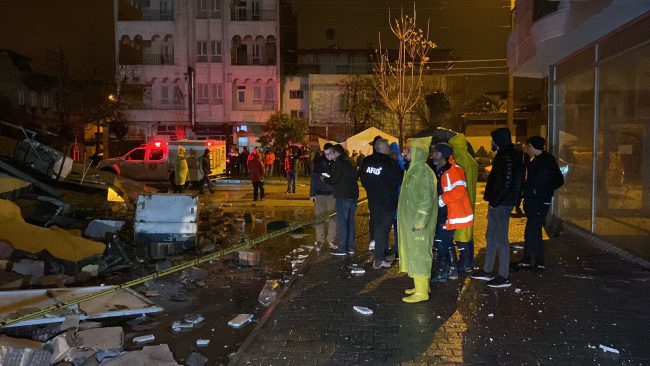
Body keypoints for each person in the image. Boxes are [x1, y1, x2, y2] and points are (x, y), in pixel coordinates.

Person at [471, 127, 524, 288]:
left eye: (493, 140)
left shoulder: (507, 156)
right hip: (499, 202)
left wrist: (495, 201)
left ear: (499, 140)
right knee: (491, 237)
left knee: (500, 239)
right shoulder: (506, 154)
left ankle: (503, 276)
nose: (491, 143)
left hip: (501, 203)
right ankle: (488, 270)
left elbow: (507, 182)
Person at [512, 136, 564, 272]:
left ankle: (532, 261)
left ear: (533, 146)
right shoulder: (534, 160)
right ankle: (533, 261)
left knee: (532, 231)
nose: (527, 148)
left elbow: (558, 180)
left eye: (528, 146)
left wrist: (541, 191)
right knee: (533, 231)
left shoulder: (547, 161)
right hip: (533, 201)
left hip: (540, 202)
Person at [398, 136, 437, 303]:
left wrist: (420, 222)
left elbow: (426, 200)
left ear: (417, 152)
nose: (404, 152)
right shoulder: (413, 169)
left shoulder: (422, 171)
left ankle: (422, 293)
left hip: (418, 226)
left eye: (408, 149)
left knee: (420, 254)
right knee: (415, 253)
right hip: (412, 224)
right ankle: (422, 285)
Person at [430, 143, 474, 282]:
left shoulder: (453, 171)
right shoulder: (442, 170)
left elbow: (459, 192)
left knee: (441, 242)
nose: (433, 155)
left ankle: (444, 270)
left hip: (450, 214)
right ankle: (451, 270)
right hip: (446, 213)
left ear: (443, 155)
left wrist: (440, 200)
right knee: (445, 242)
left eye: (436, 152)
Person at [359, 139, 403, 270]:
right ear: (385, 149)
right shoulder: (389, 163)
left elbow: (363, 179)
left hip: (373, 201)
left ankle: (382, 255)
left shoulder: (367, 161)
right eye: (388, 147)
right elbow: (399, 179)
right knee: (382, 230)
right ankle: (379, 259)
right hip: (387, 203)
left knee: (378, 228)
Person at [448, 133, 478, 274]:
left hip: (460, 201)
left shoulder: (458, 159)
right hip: (470, 199)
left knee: (461, 233)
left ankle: (464, 263)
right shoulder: (470, 159)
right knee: (468, 232)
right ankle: (469, 261)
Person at [324, 144, 359, 256]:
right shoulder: (351, 161)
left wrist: (325, 179)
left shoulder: (338, 163)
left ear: (336, 152)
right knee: (350, 222)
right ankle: (350, 247)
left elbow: (334, 179)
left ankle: (342, 248)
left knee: (343, 222)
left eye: (332, 153)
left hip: (343, 196)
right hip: (353, 195)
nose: (331, 156)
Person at [310, 143, 337, 250]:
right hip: (320, 193)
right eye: (325, 154)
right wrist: (312, 194)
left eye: (329, 153)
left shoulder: (337, 163)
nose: (327, 156)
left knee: (333, 218)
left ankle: (331, 240)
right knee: (319, 218)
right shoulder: (319, 163)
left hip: (332, 194)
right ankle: (319, 240)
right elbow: (314, 179)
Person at [389, 142, 405, 260]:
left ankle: (399, 251)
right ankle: (399, 251)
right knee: (399, 228)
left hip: (395, 202)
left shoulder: (392, 165)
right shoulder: (403, 164)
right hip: (400, 202)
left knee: (397, 228)